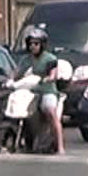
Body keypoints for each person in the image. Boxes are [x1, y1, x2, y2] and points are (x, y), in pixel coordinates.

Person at [16, 25, 65, 154]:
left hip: (48, 91)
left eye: (36, 43)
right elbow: (17, 73)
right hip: (33, 91)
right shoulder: (27, 59)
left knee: (50, 111)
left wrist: (48, 78)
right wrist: (10, 80)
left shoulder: (51, 58)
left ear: (42, 44)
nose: (33, 46)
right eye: (30, 43)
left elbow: (53, 74)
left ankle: (60, 146)